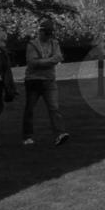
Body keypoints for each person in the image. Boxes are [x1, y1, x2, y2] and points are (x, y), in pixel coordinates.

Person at [23, 16, 69, 147]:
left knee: (54, 108)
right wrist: (51, 60)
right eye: (46, 33)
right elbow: (32, 63)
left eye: (50, 33)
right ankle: (27, 136)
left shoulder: (55, 43)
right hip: (33, 81)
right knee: (30, 109)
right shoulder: (32, 44)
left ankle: (60, 134)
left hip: (49, 81)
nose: (49, 36)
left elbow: (59, 57)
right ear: (40, 31)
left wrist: (43, 62)